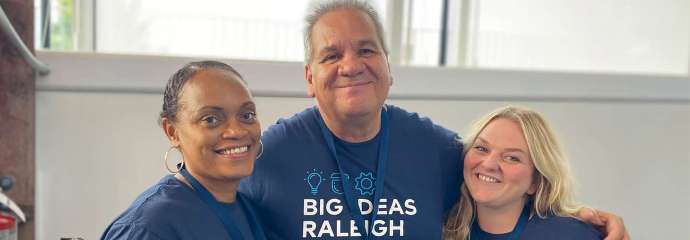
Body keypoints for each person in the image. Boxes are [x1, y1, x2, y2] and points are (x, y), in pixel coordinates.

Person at [240, 0, 628, 239]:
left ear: (389, 69)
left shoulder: (435, 149)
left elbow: (501, 180)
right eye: (331, 55)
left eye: (366, 50)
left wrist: (583, 221)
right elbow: (204, 195)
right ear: (309, 77)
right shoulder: (270, 154)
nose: (351, 65)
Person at [101, 61, 266, 240]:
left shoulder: (250, 211)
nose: (237, 131)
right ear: (172, 132)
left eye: (247, 116)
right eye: (211, 119)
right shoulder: (148, 228)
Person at [444, 106, 602, 239]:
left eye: (512, 158)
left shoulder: (571, 235)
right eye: (481, 148)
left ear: (535, 181)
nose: (489, 164)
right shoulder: (440, 228)